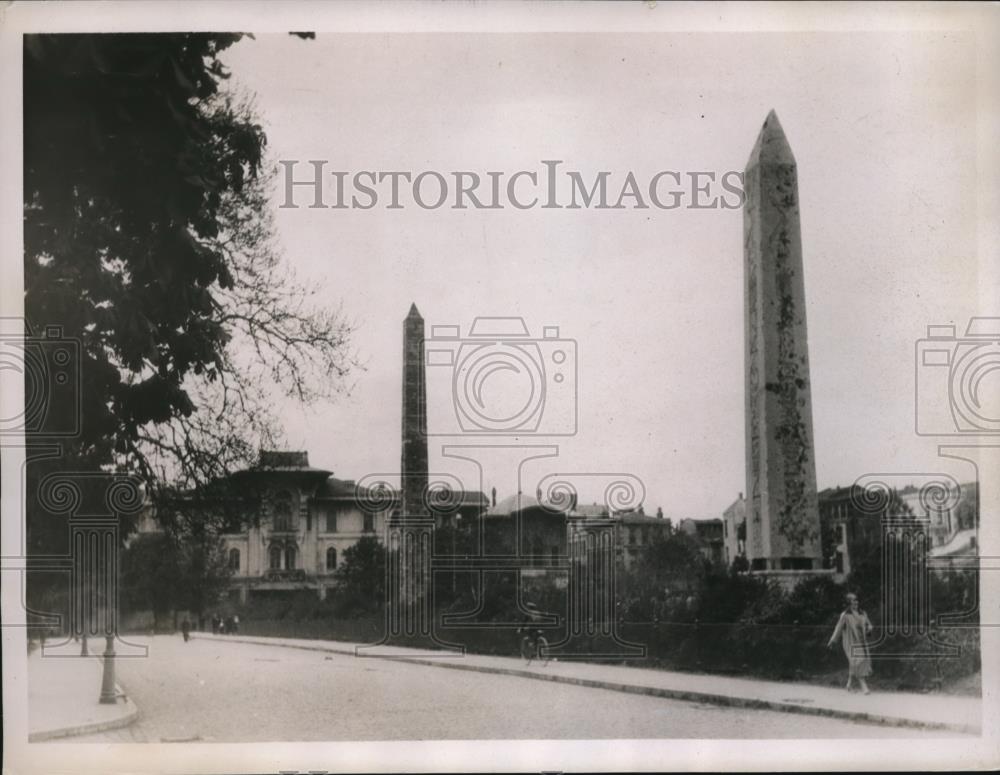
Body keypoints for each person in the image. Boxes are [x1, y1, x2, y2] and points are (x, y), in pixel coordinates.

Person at [827, 593, 874, 694]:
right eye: (852, 601)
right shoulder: (845, 615)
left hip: (861, 642)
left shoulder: (863, 613)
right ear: (848, 604)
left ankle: (849, 684)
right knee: (858, 660)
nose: (855, 603)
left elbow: (868, 625)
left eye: (856, 601)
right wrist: (832, 641)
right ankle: (864, 686)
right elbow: (838, 629)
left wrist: (869, 628)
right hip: (850, 642)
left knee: (855, 662)